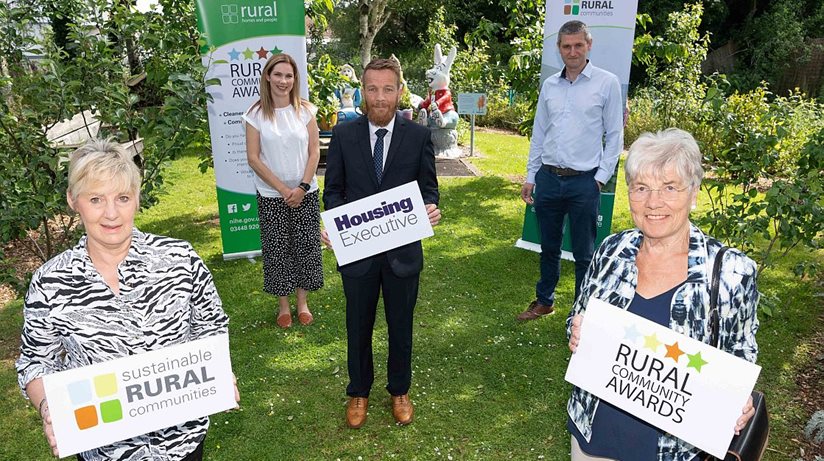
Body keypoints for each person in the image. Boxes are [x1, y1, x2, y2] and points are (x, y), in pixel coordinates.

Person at [16, 139, 238, 460]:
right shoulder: (50, 283)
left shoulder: (180, 260)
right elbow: (36, 361)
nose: (111, 213)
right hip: (103, 449)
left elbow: (210, 327)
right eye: (95, 199)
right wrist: (49, 407)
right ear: (73, 201)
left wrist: (218, 369)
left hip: (182, 445)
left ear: (136, 199)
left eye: (122, 197)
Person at [566, 128, 759, 460]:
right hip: (591, 440)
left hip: (675, 452)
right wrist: (576, 330)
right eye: (641, 188)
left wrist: (739, 403)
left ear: (693, 192)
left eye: (670, 187)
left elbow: (739, 363)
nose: (653, 202)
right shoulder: (612, 250)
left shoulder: (730, 273)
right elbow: (577, 318)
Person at [322, 58, 441, 429]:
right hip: (357, 253)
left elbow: (428, 188)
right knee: (357, 324)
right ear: (362, 90)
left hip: (402, 254)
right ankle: (358, 391)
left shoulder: (418, 136)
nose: (379, 97)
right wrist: (336, 226)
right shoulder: (343, 136)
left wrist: (430, 208)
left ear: (400, 91)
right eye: (372, 89)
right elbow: (334, 191)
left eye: (387, 89)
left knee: (400, 325)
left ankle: (399, 390)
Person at [518, 20, 623, 321]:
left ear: (589, 45)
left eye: (578, 45)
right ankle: (545, 300)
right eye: (566, 46)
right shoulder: (550, 85)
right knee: (548, 247)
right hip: (548, 179)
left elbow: (615, 135)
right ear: (559, 49)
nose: (572, 51)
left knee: (584, 253)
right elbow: (539, 134)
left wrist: (599, 179)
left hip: (584, 183)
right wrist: (530, 176)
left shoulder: (607, 83)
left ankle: (582, 310)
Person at [244, 53, 323, 329]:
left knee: (305, 246)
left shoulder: (306, 110)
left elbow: (315, 151)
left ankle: (302, 303)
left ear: (295, 79)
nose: (283, 81)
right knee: (278, 249)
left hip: (306, 192)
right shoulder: (255, 115)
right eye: (278, 75)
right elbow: (253, 158)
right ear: (267, 76)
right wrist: (282, 189)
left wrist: (301, 187)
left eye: (288, 76)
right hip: (271, 195)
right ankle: (283, 307)